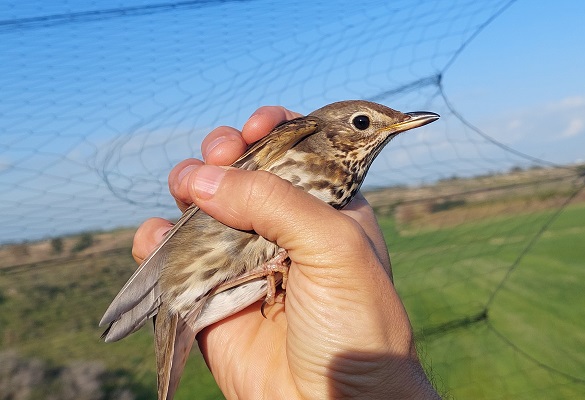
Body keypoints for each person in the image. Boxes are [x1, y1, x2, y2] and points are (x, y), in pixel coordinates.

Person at [132, 106, 441, 399]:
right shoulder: (299, 139)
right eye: (362, 123)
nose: (380, 129)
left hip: (229, 296)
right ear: (328, 131)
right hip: (197, 280)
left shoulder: (342, 188)